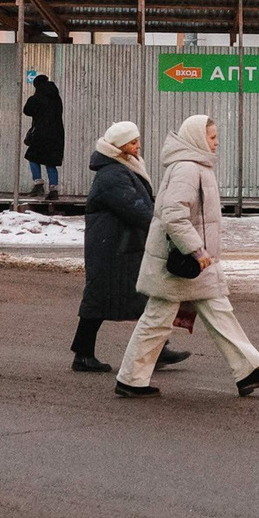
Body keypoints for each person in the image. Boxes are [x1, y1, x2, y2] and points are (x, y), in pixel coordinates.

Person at [115, 113, 259, 399]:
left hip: (195, 263)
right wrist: (196, 249)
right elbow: (173, 214)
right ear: (197, 138)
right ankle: (131, 379)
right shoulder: (187, 169)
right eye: (212, 137)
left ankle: (247, 370)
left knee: (214, 313)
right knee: (158, 320)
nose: (216, 143)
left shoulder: (196, 166)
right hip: (184, 261)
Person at [71, 122, 189, 374]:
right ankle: (83, 355)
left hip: (120, 245)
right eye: (133, 142)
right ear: (119, 146)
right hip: (112, 248)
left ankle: (155, 350)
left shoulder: (122, 167)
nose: (138, 146)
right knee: (101, 299)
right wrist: (162, 225)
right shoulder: (112, 174)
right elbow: (134, 208)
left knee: (137, 298)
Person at [22, 70, 66, 201]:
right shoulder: (56, 98)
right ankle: (54, 190)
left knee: (32, 157)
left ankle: (38, 184)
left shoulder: (37, 97)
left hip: (41, 132)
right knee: (50, 162)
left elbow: (27, 110)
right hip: (57, 133)